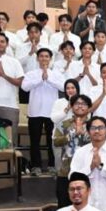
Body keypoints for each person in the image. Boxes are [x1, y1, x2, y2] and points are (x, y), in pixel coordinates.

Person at [21, 47, 64, 176]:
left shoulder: (56, 74)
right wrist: (41, 78)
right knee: (35, 140)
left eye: (47, 56)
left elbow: (63, 87)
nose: (44, 58)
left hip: (52, 113)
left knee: (52, 140)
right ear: (37, 58)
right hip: (35, 112)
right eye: (41, 56)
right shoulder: (31, 73)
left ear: (50, 59)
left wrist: (48, 78)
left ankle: (51, 165)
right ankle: (36, 166)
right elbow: (25, 87)